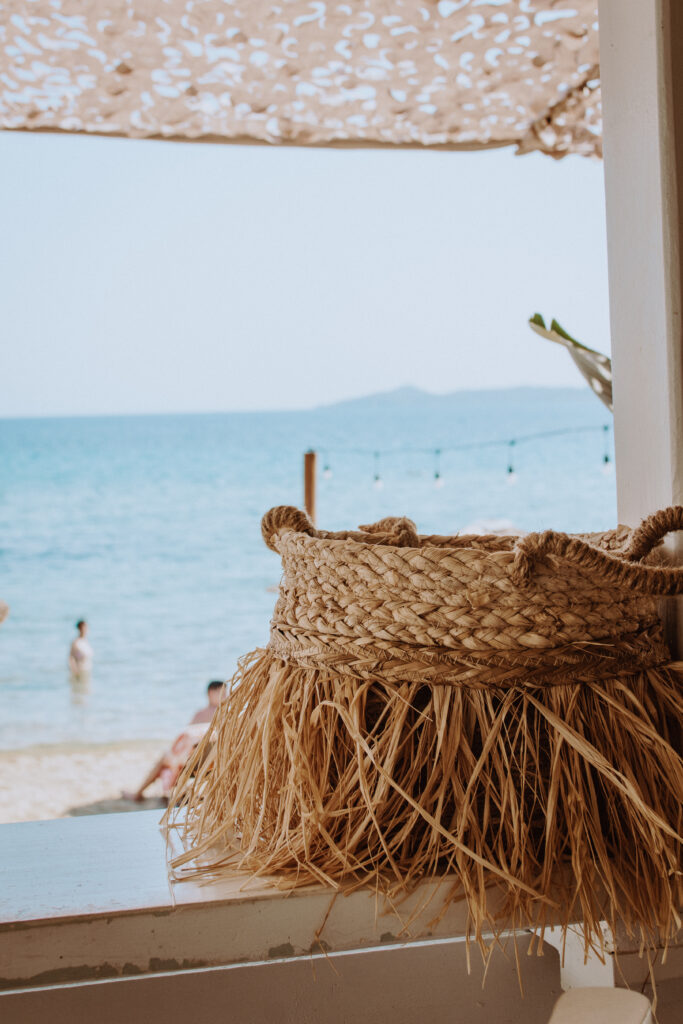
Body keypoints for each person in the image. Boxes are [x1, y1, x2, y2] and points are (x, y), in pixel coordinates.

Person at [123, 681, 225, 802]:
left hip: (197, 762)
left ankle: (141, 793)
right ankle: (163, 793)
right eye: (222, 693)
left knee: (165, 760)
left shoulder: (203, 714)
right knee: (169, 759)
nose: (225, 696)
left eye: (225, 693)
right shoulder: (224, 714)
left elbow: (186, 737)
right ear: (210, 693)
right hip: (207, 761)